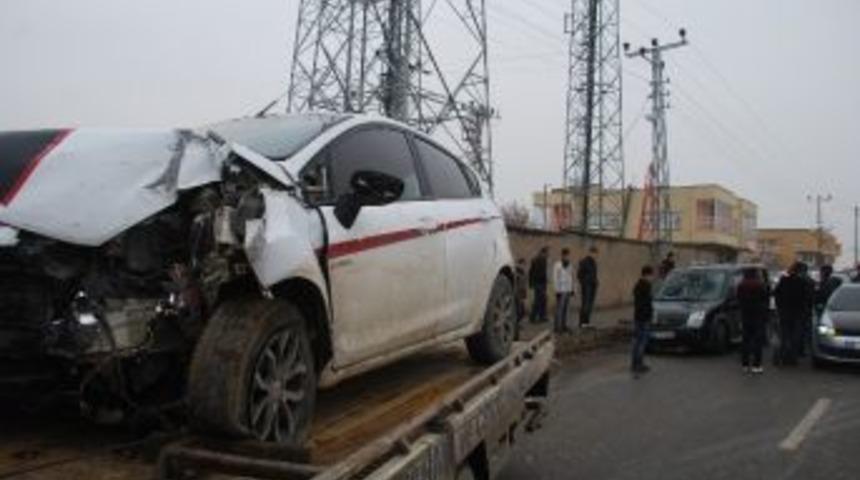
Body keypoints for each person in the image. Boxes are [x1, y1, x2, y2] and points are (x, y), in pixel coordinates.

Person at [773, 262, 812, 365]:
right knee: (795, 337)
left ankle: (783, 357)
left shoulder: (783, 280)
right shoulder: (803, 282)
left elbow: (776, 294)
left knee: (785, 336)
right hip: (798, 314)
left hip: (785, 313)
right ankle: (792, 359)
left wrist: (779, 307)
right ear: (800, 271)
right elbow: (808, 298)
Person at [737, 268, 769, 374]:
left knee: (745, 341)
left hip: (745, 315)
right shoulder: (760, 285)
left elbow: (739, 299)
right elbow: (765, 299)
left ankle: (745, 365)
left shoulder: (741, 285)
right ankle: (757, 365)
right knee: (757, 341)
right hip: (758, 316)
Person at [631, 265, 655, 374]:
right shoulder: (646, 286)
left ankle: (634, 363)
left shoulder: (637, 285)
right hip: (644, 318)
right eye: (651, 275)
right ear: (647, 275)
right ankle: (639, 364)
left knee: (636, 341)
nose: (652, 278)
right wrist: (649, 315)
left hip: (637, 316)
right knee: (642, 341)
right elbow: (647, 303)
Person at [553, 248, 575, 334]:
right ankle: (557, 327)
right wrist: (556, 289)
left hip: (567, 289)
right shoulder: (557, 265)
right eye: (566, 255)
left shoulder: (570, 265)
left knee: (566, 309)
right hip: (561, 290)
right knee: (559, 309)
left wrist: (572, 289)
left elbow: (571, 278)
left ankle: (564, 325)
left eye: (568, 256)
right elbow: (555, 278)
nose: (567, 257)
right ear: (562, 255)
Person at [577, 246, 599, 328]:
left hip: (593, 285)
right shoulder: (584, 262)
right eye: (594, 253)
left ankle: (586, 322)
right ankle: (582, 322)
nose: (595, 255)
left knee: (590, 305)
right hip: (587, 286)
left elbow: (594, 274)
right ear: (591, 253)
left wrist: (596, 281)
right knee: (585, 305)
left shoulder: (594, 263)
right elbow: (579, 275)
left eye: (596, 254)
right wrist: (584, 282)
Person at [528, 247, 549, 324]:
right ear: (543, 252)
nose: (548, 255)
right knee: (538, 300)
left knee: (543, 300)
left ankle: (541, 316)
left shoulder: (543, 260)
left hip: (541, 283)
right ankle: (533, 317)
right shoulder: (537, 260)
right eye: (547, 253)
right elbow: (532, 272)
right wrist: (531, 283)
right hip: (538, 283)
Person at [514, 258, 528, 339]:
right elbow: (516, 285)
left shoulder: (523, 273)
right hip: (516, 295)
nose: (524, 266)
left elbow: (524, 285)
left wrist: (524, 295)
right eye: (523, 264)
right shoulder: (516, 272)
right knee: (518, 312)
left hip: (521, 295)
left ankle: (517, 325)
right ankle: (516, 328)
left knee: (522, 312)